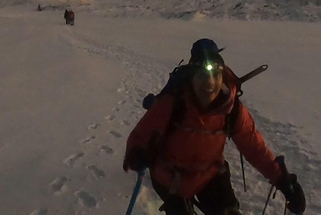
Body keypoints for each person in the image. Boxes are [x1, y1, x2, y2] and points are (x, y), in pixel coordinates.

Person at [123, 39, 305, 215]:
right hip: (170, 178)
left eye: (216, 75)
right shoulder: (173, 103)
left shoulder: (232, 110)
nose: (210, 83)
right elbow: (140, 136)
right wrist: (136, 153)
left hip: (209, 176)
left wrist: (282, 181)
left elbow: (254, 148)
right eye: (202, 75)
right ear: (192, 78)